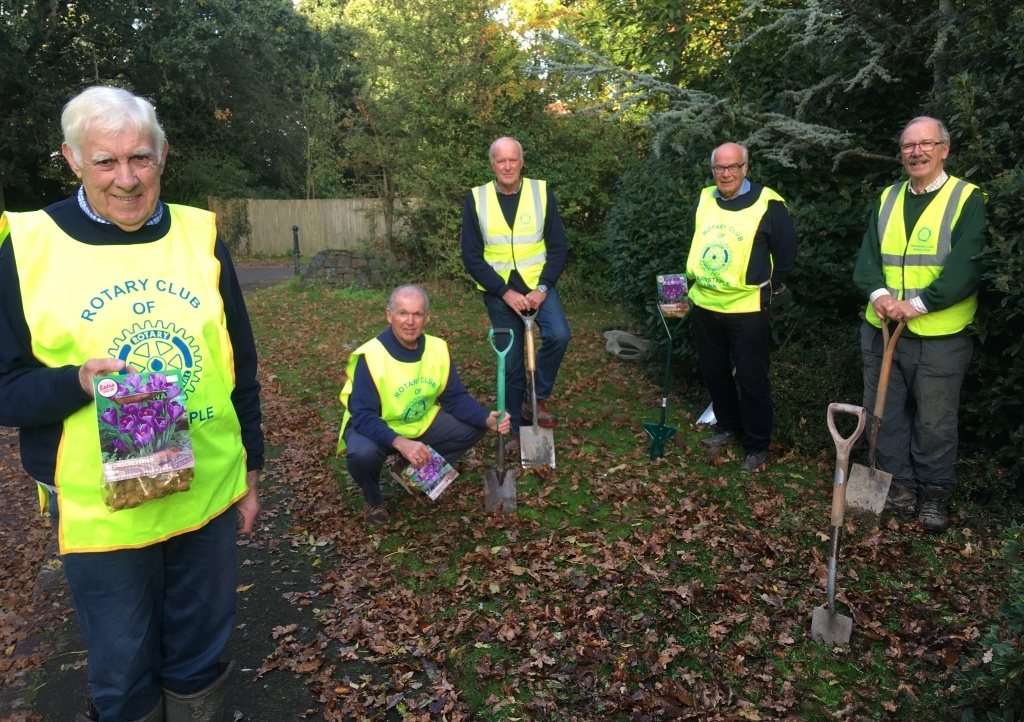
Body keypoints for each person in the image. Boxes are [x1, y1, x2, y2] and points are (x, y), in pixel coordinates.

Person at [0, 85, 263, 722]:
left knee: (200, 655)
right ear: (70, 158)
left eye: (140, 158)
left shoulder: (199, 238)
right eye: (105, 162)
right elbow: (6, 391)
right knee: (122, 668)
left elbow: (240, 363)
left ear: (164, 155)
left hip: (206, 488)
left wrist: (251, 469)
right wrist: (75, 383)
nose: (126, 179)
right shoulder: (28, 248)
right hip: (102, 507)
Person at [853, 116, 986, 534]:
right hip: (883, 329)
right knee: (884, 414)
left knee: (935, 421)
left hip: (939, 335)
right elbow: (867, 260)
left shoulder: (967, 198)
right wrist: (882, 298)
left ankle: (933, 494)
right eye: (909, 145)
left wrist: (919, 304)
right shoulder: (888, 198)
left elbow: (967, 266)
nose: (917, 152)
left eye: (926, 144)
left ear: (944, 150)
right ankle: (898, 487)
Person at [337, 285, 511, 526]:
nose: (410, 321)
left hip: (419, 421)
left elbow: (455, 397)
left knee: (473, 427)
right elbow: (364, 416)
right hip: (374, 426)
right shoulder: (371, 355)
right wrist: (401, 443)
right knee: (361, 455)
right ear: (389, 315)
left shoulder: (437, 348)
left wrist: (486, 419)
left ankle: (411, 472)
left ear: (426, 318)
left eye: (417, 314)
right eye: (402, 313)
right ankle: (373, 498)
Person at [685, 142, 799, 472]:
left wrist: (772, 285)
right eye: (719, 167)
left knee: (752, 378)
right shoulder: (706, 198)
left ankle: (757, 445)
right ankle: (730, 428)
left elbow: (787, 250)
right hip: (705, 302)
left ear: (746, 168)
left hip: (747, 307)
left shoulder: (768, 203)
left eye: (733, 166)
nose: (726, 173)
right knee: (714, 372)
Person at [460, 137, 571, 443]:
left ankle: (536, 396)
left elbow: (558, 248)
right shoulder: (477, 198)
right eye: (500, 161)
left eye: (513, 160)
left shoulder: (541, 192)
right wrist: (504, 292)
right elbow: (471, 256)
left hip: (538, 286)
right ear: (492, 164)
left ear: (522, 162)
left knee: (559, 334)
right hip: (499, 293)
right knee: (510, 365)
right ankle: (517, 433)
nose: (507, 166)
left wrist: (543, 287)